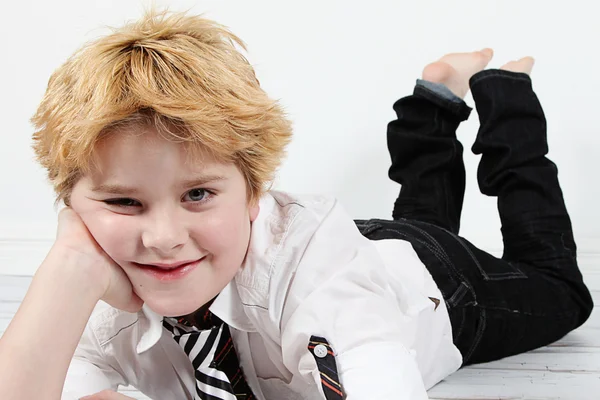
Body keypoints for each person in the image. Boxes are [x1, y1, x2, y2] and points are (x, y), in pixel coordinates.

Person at [0, 9, 593, 400]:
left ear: (255, 193)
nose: (162, 238)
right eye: (124, 202)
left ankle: (508, 96)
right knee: (417, 219)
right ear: (71, 206)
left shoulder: (322, 279)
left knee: (562, 293)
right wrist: (69, 272)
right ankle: (433, 97)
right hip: (345, 249)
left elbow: (375, 373)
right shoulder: (93, 292)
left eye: (198, 194)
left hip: (437, 285)